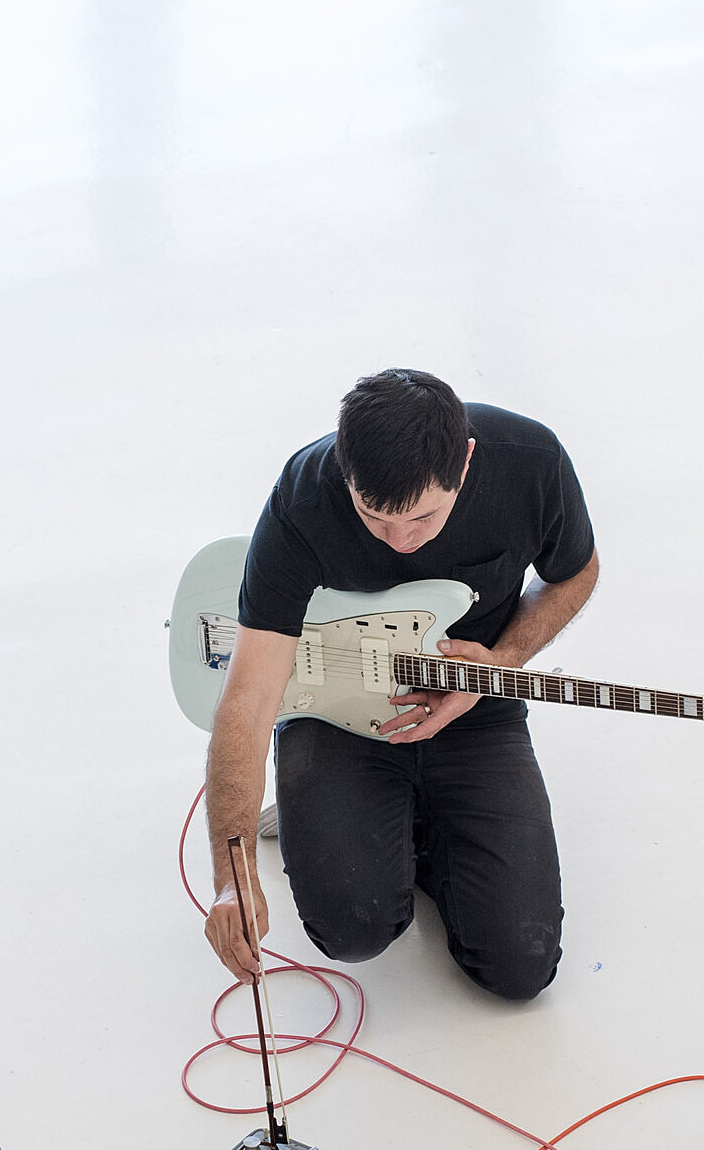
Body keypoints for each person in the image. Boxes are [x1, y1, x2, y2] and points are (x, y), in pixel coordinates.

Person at [203, 368, 599, 1003]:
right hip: (333, 713)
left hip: (472, 702)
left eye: (423, 516)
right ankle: (355, 813)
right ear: (345, 469)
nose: (401, 541)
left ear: (465, 461)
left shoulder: (532, 462)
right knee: (350, 931)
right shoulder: (302, 500)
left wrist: (503, 660)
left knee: (520, 968)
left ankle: (415, 829)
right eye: (374, 516)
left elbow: (575, 573)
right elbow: (246, 702)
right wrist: (233, 875)